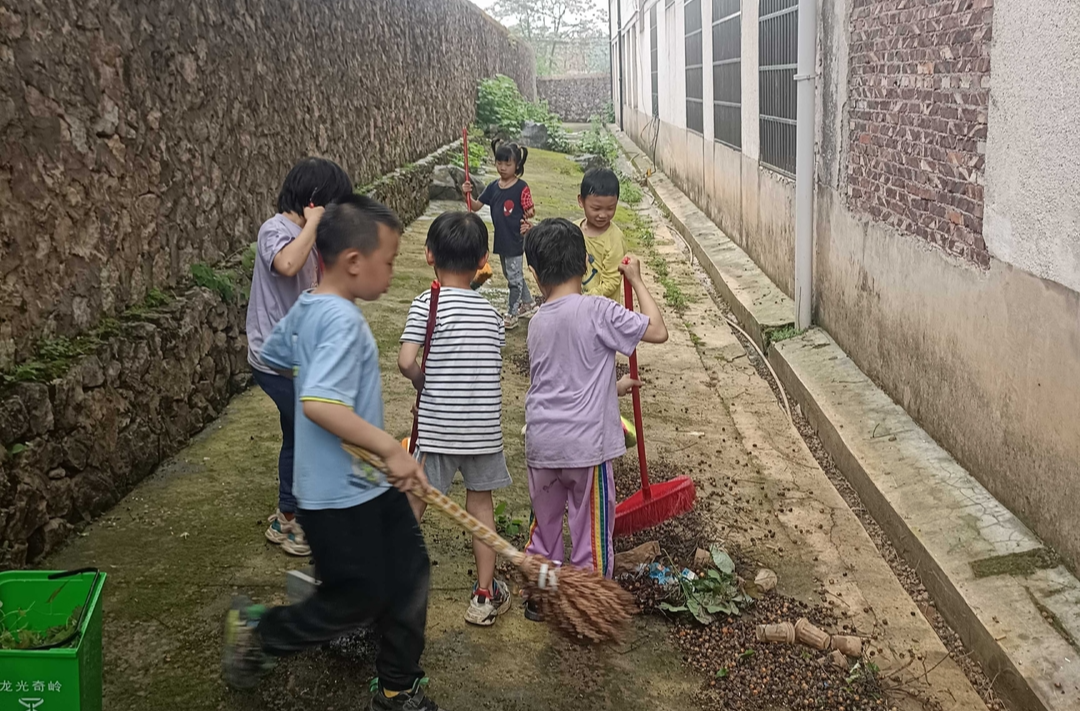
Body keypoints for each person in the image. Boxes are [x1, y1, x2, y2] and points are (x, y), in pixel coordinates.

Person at [222, 195, 444, 711]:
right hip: (339, 496)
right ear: (353, 262)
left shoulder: (309, 306)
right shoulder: (342, 323)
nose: (392, 272)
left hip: (360, 484)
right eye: (388, 261)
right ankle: (262, 632)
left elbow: (276, 357)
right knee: (355, 598)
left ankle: (397, 685)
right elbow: (321, 404)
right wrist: (390, 448)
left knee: (409, 570)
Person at [520, 218, 668, 620]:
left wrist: (611, 388)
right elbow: (657, 331)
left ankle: (540, 597)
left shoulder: (536, 322)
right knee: (590, 534)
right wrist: (635, 280)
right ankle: (587, 609)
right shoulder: (598, 310)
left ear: (534, 275)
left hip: (543, 446)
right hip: (586, 449)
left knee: (546, 531)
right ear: (586, 264)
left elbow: (561, 379)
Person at [398, 211, 512, 627]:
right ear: (484, 259)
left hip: (437, 428)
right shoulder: (492, 317)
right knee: (480, 506)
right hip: (482, 431)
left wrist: (421, 384)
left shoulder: (427, 304)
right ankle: (484, 595)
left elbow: (406, 361)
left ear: (429, 255)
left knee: (415, 499)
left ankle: (390, 582)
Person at [247, 157, 354, 557]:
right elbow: (288, 265)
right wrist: (312, 224)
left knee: (298, 434)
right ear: (314, 202)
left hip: (302, 360)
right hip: (273, 360)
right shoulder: (275, 230)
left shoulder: (312, 237)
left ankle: (286, 516)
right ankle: (297, 523)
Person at [461, 140, 537, 329]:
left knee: (513, 278)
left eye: (507, 164)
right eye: (499, 163)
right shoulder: (493, 187)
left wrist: (528, 217)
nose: (502, 168)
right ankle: (528, 303)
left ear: (517, 165)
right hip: (501, 239)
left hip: (516, 238)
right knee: (512, 273)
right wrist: (466, 194)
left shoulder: (521, 187)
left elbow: (531, 210)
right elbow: (475, 207)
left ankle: (512, 313)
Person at [578, 168, 627, 301]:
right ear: (581, 201)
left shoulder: (615, 239)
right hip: (577, 306)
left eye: (610, 208)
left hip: (603, 311)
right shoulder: (573, 231)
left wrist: (585, 299)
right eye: (596, 208)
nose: (603, 215)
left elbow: (611, 282)